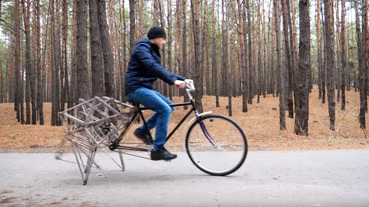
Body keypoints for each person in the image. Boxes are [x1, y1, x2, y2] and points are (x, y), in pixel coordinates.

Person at [125, 26, 186, 161]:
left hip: (144, 87)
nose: (164, 42)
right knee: (164, 109)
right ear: (155, 38)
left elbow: (159, 69)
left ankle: (142, 130)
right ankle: (158, 149)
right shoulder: (142, 48)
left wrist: (181, 79)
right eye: (162, 38)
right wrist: (173, 81)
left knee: (169, 105)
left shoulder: (151, 50)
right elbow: (152, 67)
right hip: (135, 88)